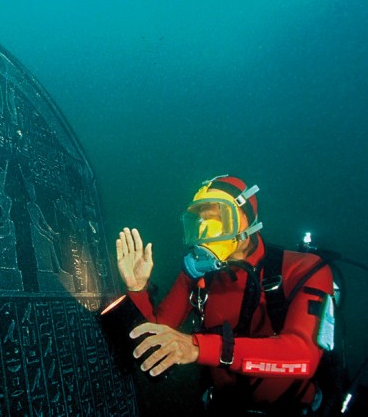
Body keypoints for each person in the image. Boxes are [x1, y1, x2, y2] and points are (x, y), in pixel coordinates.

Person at [114, 175, 335, 416]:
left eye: (220, 216)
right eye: (200, 220)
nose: (207, 229)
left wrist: (198, 347)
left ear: (248, 219)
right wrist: (137, 288)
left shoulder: (303, 269)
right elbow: (154, 342)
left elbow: (304, 358)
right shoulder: (197, 275)